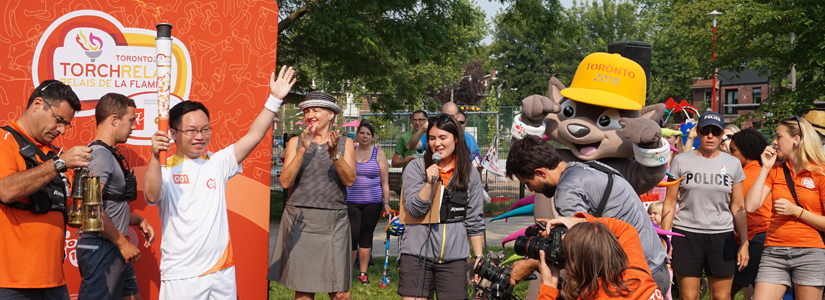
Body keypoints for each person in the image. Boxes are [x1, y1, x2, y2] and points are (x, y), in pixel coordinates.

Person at [145, 66, 296, 299]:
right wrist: (156, 158)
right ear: (173, 133)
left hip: (222, 270)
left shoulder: (216, 163)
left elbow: (253, 136)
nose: (200, 136)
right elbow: (152, 196)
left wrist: (274, 99)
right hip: (183, 274)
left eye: (205, 130)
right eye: (192, 131)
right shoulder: (164, 169)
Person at [505, 135, 670, 294]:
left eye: (528, 183)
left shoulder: (567, 192)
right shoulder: (587, 168)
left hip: (634, 279)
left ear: (541, 173)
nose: (531, 190)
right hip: (655, 267)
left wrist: (531, 264)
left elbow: (578, 252)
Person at [0, 80, 89, 299]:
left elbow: (70, 215)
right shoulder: (5, 141)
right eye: (59, 120)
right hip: (10, 283)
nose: (61, 130)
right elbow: (6, 190)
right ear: (37, 104)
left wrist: (85, 193)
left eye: (66, 124)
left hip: (54, 281)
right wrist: (59, 165)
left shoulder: (55, 155)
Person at [268, 91, 357, 300]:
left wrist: (334, 152)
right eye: (307, 111)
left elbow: (350, 180)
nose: (310, 115)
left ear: (331, 114)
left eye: (316, 110)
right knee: (303, 289)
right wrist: (303, 149)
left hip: (334, 222)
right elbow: (286, 182)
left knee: (341, 292)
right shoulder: (295, 143)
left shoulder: (345, 144)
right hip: (300, 220)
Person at [661, 111, 749, 300]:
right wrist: (665, 239)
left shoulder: (733, 164)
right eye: (705, 130)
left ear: (721, 135)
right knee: (688, 296)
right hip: (686, 234)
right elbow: (669, 203)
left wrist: (744, 242)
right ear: (698, 132)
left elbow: (738, 206)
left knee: (721, 297)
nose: (710, 136)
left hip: (721, 236)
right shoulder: (681, 160)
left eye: (715, 132)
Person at [397, 113, 484, 300]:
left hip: (454, 258)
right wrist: (428, 184)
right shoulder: (416, 168)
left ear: (456, 138)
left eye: (443, 137)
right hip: (416, 255)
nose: (437, 144)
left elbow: (474, 218)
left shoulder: (469, 173)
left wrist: (478, 258)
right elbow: (414, 209)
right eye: (432, 138)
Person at [77, 93, 155, 300]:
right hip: (103, 249)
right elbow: (91, 208)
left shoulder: (106, 154)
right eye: (131, 120)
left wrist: (138, 219)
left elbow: (107, 206)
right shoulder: (99, 156)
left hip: (114, 248)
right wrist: (123, 243)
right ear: (114, 120)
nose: (134, 126)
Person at [744, 116, 825, 300]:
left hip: (811, 251)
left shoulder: (820, 173)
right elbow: (750, 206)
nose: (774, 141)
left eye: (779, 136)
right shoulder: (776, 170)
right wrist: (765, 168)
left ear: (796, 140)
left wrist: (797, 212)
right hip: (774, 251)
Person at [536, 214, 664, 300]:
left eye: (566, 255)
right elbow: (626, 229)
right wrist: (580, 221)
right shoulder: (635, 269)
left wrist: (549, 287)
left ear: (579, 264)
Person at [727, 129, 772, 300]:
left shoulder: (745, 176)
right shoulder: (763, 172)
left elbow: (738, 208)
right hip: (762, 236)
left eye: (733, 151)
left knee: (725, 292)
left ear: (745, 150)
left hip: (754, 239)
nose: (731, 155)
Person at [346, 119, 391, 284]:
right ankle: (348, 273)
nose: (365, 136)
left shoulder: (378, 153)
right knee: (352, 236)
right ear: (357, 135)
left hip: (372, 202)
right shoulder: (350, 150)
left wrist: (386, 202)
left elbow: (385, 181)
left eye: (368, 134)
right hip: (351, 200)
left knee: (366, 236)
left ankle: (363, 273)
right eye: (362, 133)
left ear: (372, 137)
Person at [406, 102, 481, 160]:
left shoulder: (469, 138)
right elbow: (411, 146)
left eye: (451, 116)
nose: (449, 120)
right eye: (445, 117)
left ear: (458, 117)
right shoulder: (434, 136)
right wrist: (423, 129)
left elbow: (477, 158)